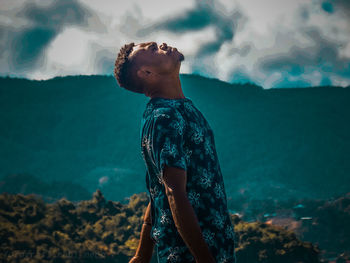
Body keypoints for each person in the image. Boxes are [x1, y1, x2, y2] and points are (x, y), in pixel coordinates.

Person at [114, 41, 237, 263]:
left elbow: (159, 190)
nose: (161, 44)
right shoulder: (164, 117)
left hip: (217, 247)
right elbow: (173, 193)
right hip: (190, 255)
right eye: (153, 49)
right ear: (147, 72)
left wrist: (142, 255)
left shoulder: (183, 109)